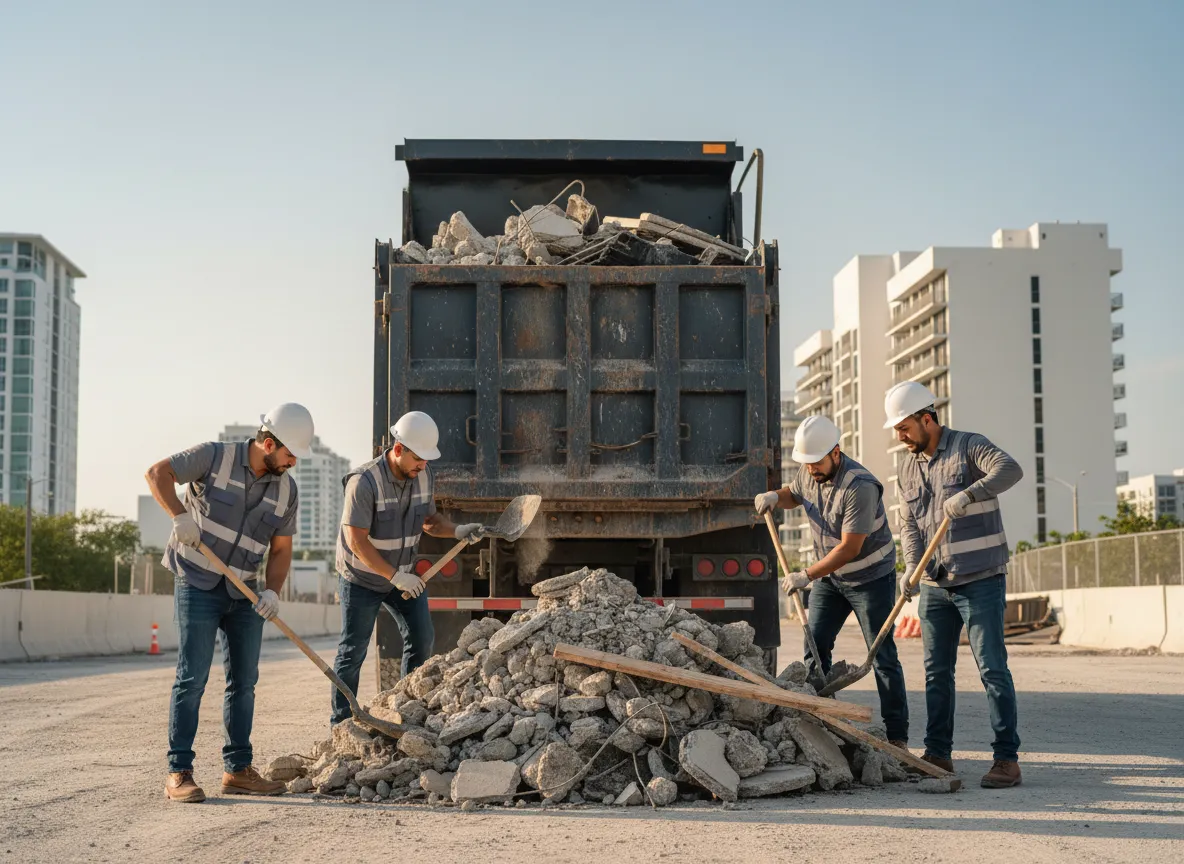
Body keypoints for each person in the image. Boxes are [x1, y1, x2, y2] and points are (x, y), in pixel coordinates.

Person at [146, 402, 315, 803]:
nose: (293, 462)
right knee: (193, 679)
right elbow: (158, 474)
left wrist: (273, 590)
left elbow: (281, 550)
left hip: (246, 593)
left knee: (244, 682)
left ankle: (238, 770)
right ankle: (178, 772)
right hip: (198, 582)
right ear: (268, 442)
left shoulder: (287, 490)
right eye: (290, 454)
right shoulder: (215, 457)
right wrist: (177, 515)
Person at [885, 380, 1024, 789]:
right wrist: (911, 568)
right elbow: (909, 523)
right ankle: (938, 754)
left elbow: (1010, 469)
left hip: (980, 578)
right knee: (935, 673)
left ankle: (1006, 760)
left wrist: (971, 493)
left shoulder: (969, 446)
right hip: (935, 584)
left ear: (927, 418)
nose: (900, 436)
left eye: (905, 427)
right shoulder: (907, 465)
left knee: (992, 670)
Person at [755, 415, 908, 748]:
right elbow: (793, 494)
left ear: (836, 452)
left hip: (870, 579)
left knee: (881, 657)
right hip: (831, 579)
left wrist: (806, 575)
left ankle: (897, 736)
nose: (811, 468)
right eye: (806, 463)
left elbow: (850, 548)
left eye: (817, 462)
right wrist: (774, 496)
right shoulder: (809, 470)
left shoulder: (860, 486)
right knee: (814, 646)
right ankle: (822, 720)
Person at [329, 410, 483, 726]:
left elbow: (430, 521)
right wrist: (395, 576)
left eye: (427, 460)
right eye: (418, 459)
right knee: (353, 650)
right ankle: (342, 722)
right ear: (398, 449)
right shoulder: (364, 482)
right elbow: (356, 541)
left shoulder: (423, 475)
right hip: (361, 578)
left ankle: (407, 710)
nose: (423, 466)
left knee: (421, 636)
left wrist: (457, 530)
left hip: (402, 575)